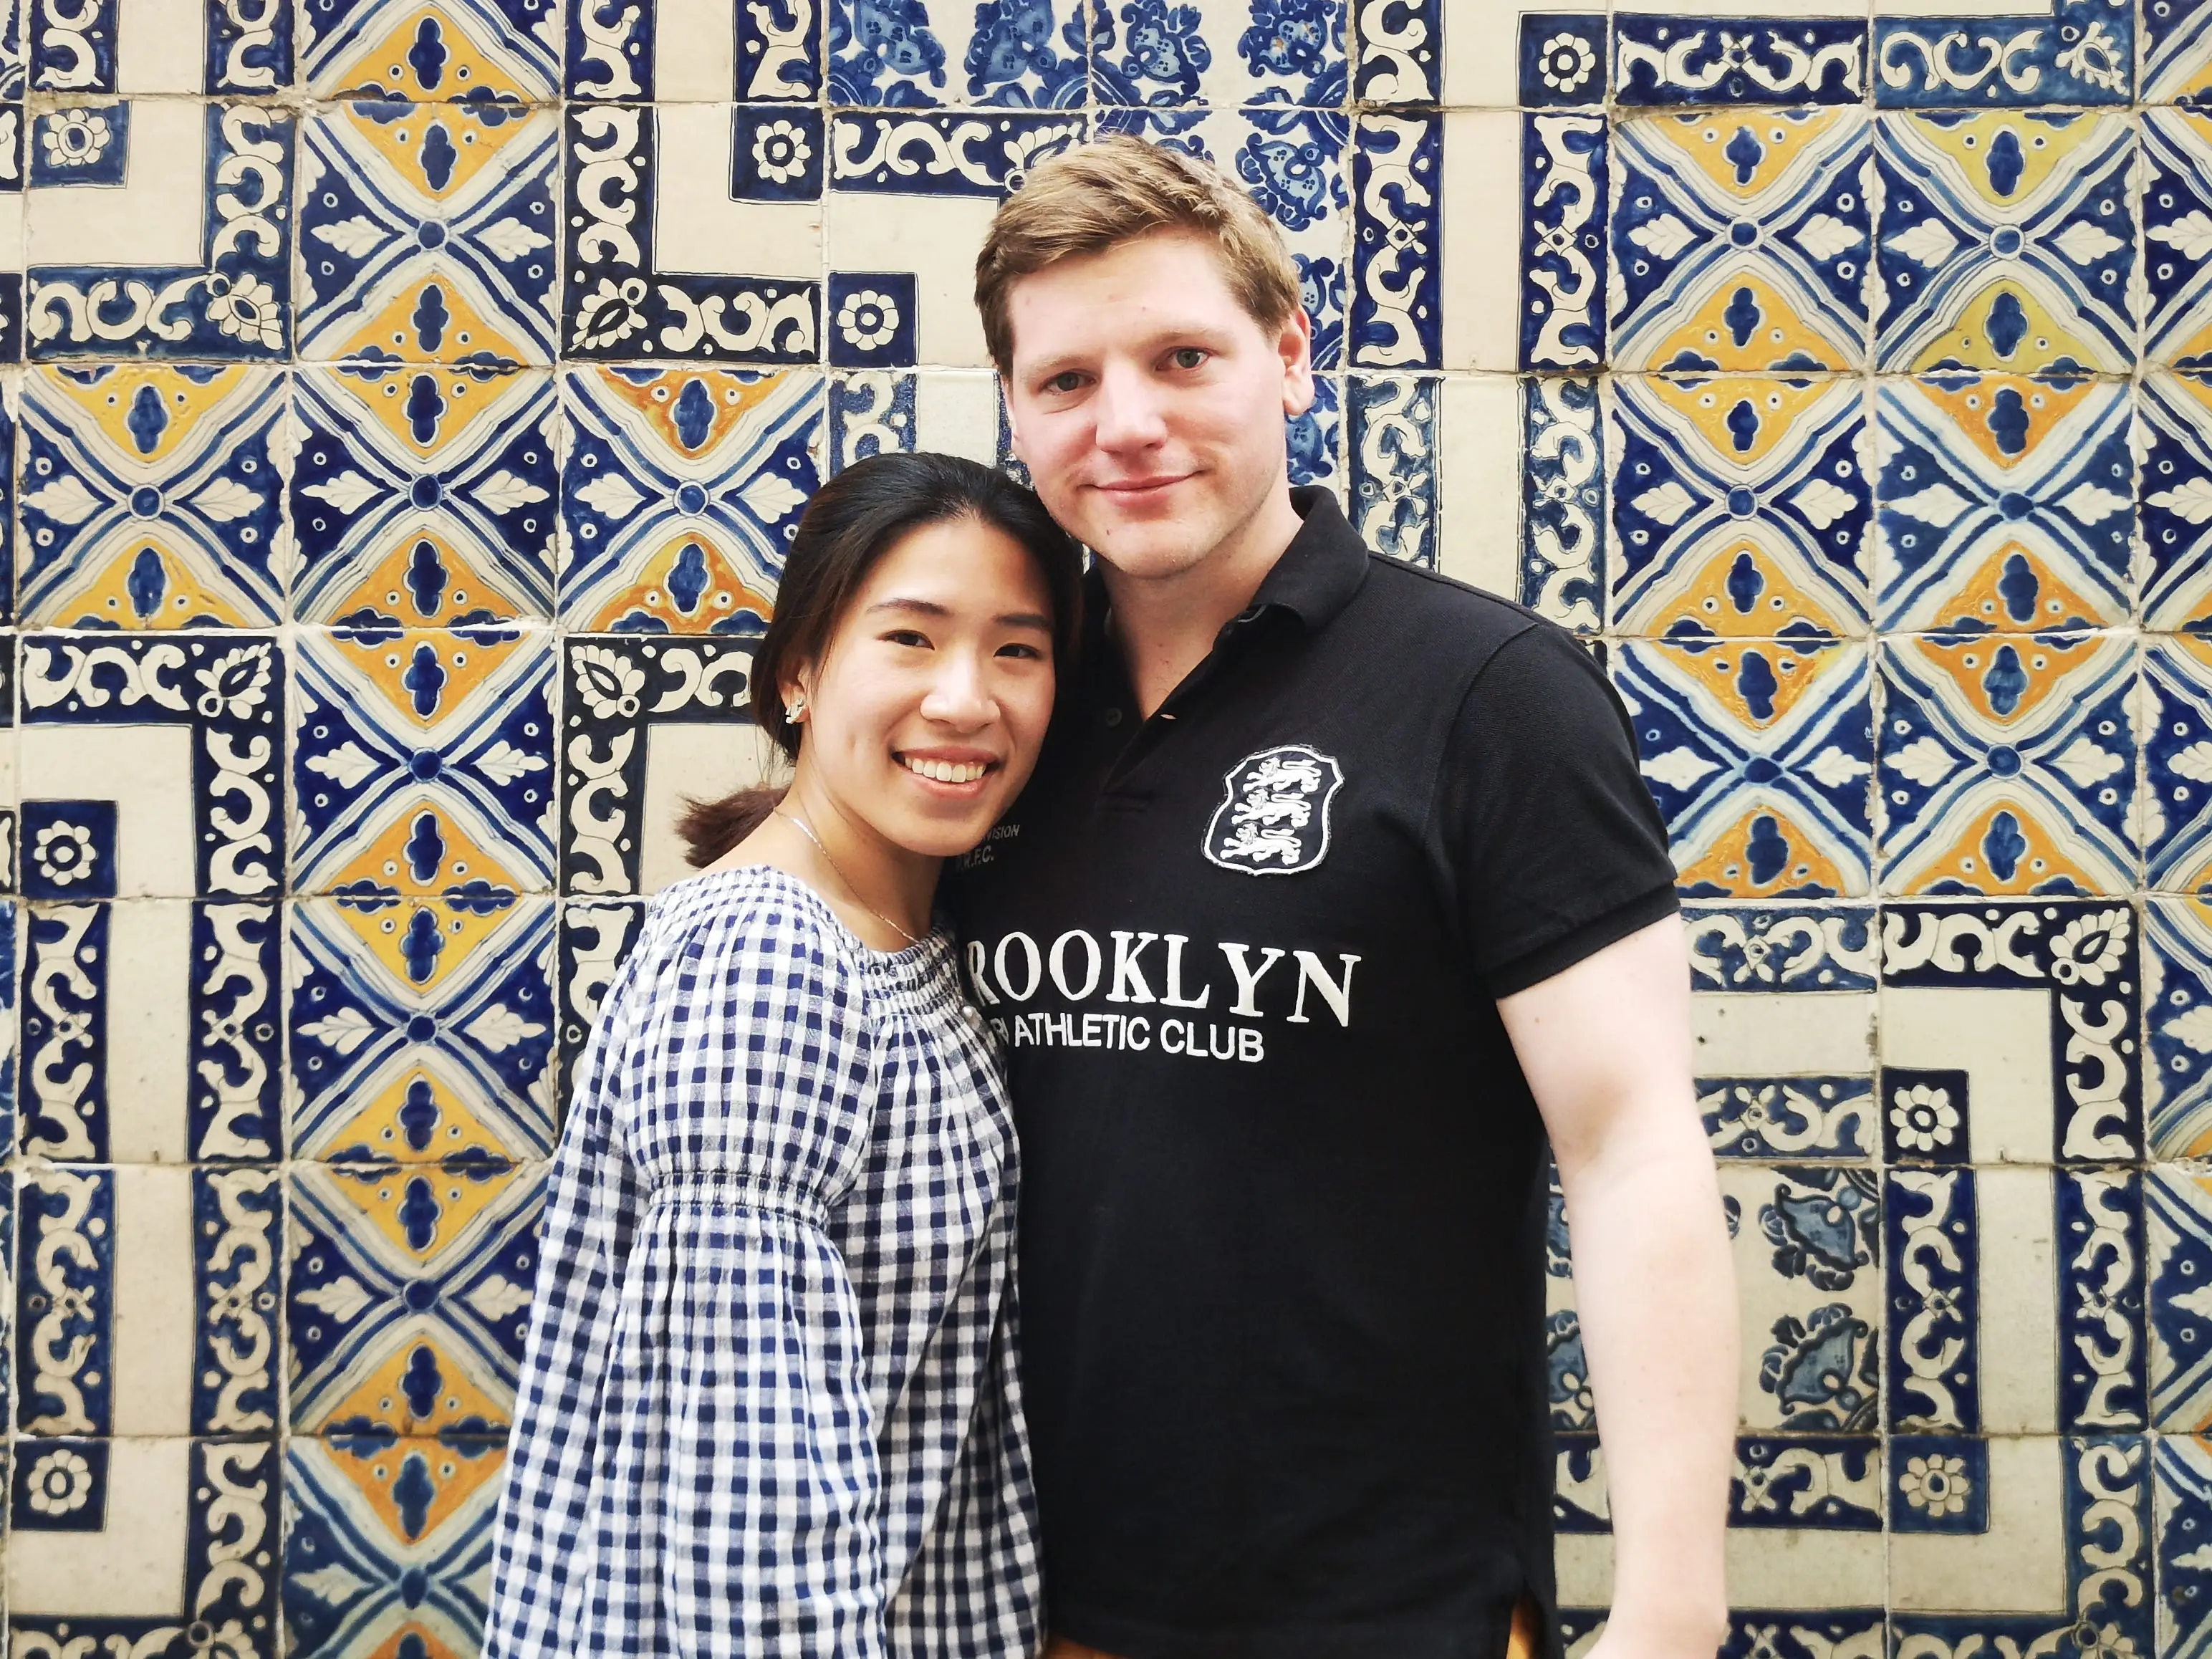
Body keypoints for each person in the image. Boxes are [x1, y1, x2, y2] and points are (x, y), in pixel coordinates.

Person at [947, 136, 1739, 1659]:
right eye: (1066, 381)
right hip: (1011, 1606)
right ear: (1015, 410)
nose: (1126, 424)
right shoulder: (997, 720)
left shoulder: (1487, 695)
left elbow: (1629, 1144)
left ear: (1291, 358)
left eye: (1182, 358)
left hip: (1383, 1612)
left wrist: (1668, 1611)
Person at [482, 451, 1083, 1658]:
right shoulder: (771, 955)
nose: (965, 699)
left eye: (1017, 650)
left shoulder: (906, 935)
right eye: (910, 639)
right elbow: (740, 1509)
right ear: (800, 672)